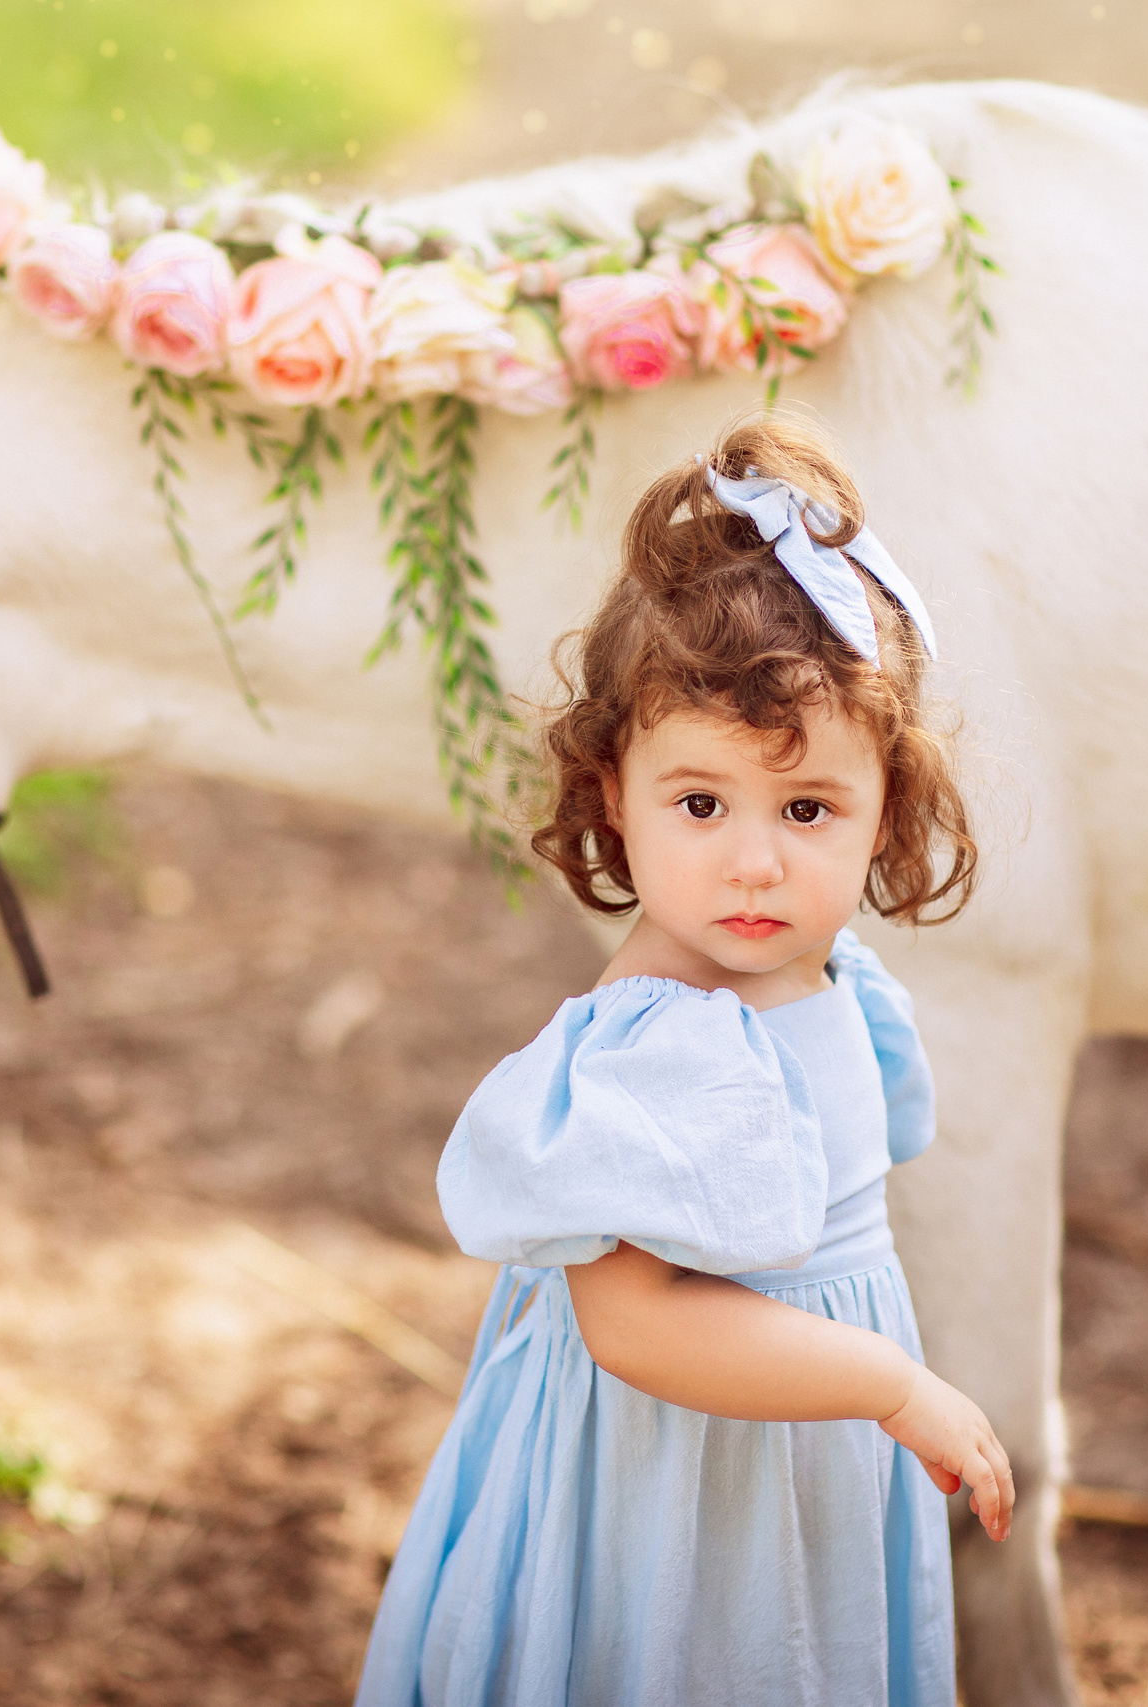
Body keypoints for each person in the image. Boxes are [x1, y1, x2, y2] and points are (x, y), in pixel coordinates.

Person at [355, 414, 1013, 1707]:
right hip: (672, 1479)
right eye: (700, 803)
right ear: (615, 792)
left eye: (809, 808)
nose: (755, 862)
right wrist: (891, 1388)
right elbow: (635, 1321)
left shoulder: (810, 977)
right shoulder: (665, 1032)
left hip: (790, 1448)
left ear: (889, 805)